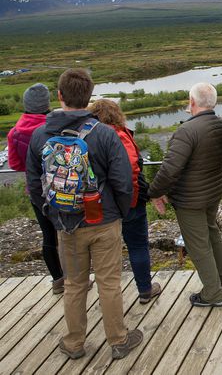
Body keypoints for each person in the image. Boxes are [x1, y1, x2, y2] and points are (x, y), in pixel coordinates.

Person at [25, 69, 142, 360]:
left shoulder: (40, 135)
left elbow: (33, 183)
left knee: (74, 284)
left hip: (66, 224)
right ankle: (118, 340)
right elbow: (122, 182)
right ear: (89, 98)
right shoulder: (104, 134)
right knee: (109, 282)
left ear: (60, 96)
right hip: (104, 220)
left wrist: (53, 216)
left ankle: (74, 343)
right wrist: (120, 212)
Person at [148, 82, 222, 307]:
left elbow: (170, 169)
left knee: (198, 245)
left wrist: (154, 192)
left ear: (192, 102)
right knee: (212, 232)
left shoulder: (187, 131)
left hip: (190, 198)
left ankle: (212, 294)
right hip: (212, 192)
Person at [88, 99, 162, 304]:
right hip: (128, 202)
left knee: (104, 251)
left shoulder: (88, 135)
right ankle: (145, 290)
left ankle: (108, 297)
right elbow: (131, 171)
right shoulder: (119, 135)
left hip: (100, 204)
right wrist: (135, 197)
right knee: (137, 245)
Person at [8, 83, 64, 293]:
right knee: (68, 235)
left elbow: (14, 164)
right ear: (46, 104)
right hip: (62, 187)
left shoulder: (15, 133)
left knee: (48, 236)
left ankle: (58, 280)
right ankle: (77, 280)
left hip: (36, 191)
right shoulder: (54, 127)